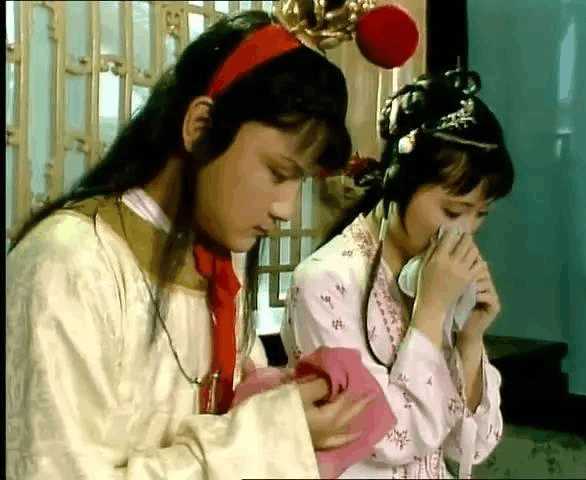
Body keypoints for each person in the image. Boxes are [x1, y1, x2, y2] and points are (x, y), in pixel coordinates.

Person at [5, 10, 375, 479]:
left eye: (298, 181)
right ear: (200, 126)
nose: (286, 208)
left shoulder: (220, 263)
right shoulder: (70, 264)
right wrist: (268, 437)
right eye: (278, 172)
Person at [281, 71, 515, 479]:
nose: (465, 232)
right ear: (397, 184)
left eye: (480, 214)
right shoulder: (324, 282)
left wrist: (470, 339)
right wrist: (431, 311)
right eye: (454, 211)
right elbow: (388, 439)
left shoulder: (434, 275)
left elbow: (471, 446)